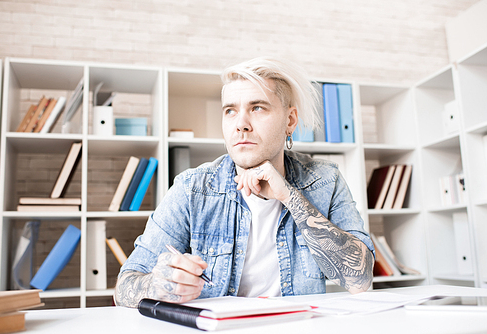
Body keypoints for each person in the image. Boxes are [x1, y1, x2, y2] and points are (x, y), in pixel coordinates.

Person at [114, 57, 375, 308]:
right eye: (230, 111)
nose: (241, 125)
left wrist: (290, 198)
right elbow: (124, 288)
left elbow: (360, 280)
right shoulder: (192, 188)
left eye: (257, 108)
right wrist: (157, 285)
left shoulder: (325, 180)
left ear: (290, 120)